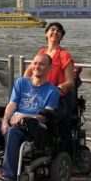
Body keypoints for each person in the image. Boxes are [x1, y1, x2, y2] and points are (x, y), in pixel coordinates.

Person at [0, 54, 60, 181]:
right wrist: (4, 121)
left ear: (50, 67)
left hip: (32, 127)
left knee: (13, 132)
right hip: (12, 122)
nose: (37, 67)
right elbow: (12, 104)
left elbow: (44, 117)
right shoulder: (21, 82)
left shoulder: (52, 91)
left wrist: (24, 117)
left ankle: (8, 176)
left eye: (41, 64)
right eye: (35, 63)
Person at [24, 22, 75, 154]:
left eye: (59, 31)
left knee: (50, 119)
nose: (55, 32)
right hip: (40, 93)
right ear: (46, 33)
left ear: (61, 36)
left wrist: (59, 87)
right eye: (52, 30)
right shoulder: (42, 52)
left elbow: (70, 82)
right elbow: (28, 73)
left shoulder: (64, 55)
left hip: (58, 97)